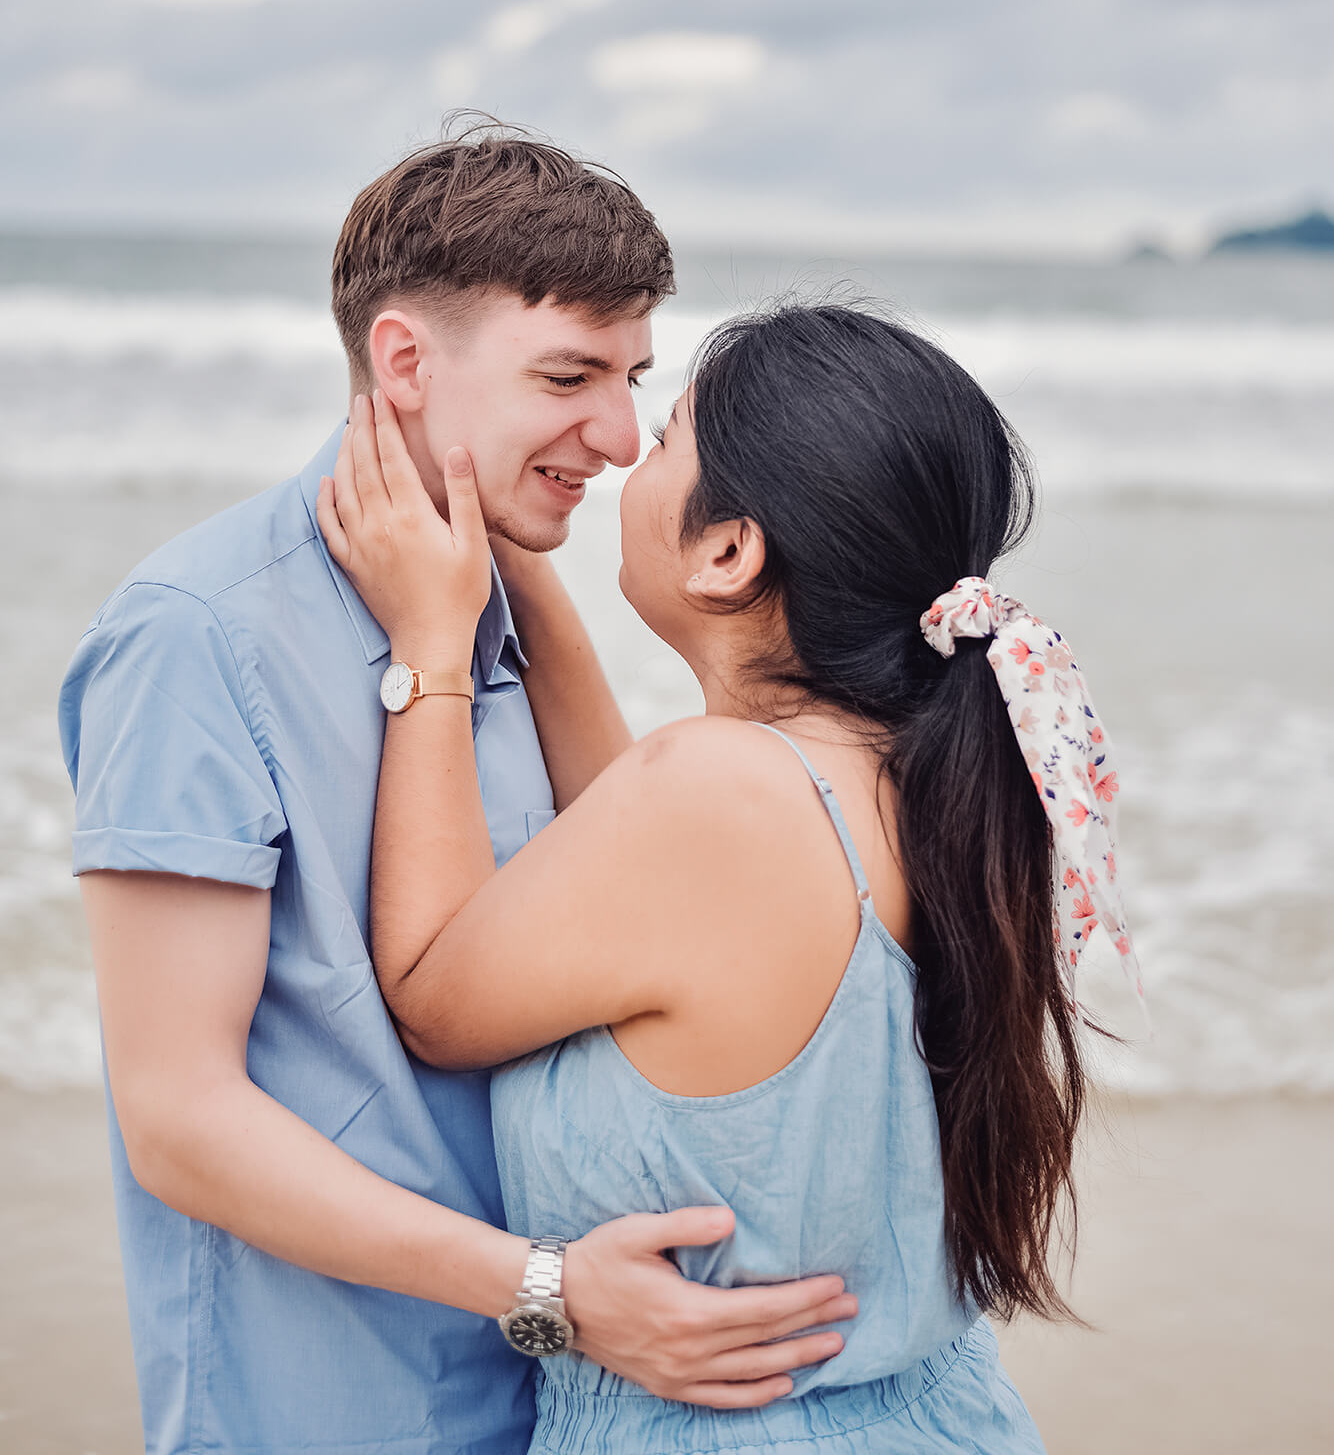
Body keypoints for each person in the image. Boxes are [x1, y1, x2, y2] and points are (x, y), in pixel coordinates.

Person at [58, 133, 855, 1455]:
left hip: (557, 1396)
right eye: (569, 376)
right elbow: (179, 1121)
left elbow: (629, 914)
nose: (615, 436)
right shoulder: (195, 634)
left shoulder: (500, 612)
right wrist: (549, 1294)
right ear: (406, 362)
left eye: (632, 379)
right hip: (331, 1407)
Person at [318, 299, 1144, 1455]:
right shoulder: (918, 774)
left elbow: (427, 988)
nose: (623, 454)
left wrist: (429, 646)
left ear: (727, 551)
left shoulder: (719, 794)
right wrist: (521, 576)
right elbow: (632, 882)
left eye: (665, 442)